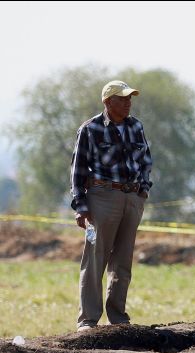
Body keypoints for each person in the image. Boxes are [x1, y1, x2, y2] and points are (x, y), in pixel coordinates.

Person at [70, 80, 153, 332]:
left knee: (123, 261)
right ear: (108, 102)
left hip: (131, 197)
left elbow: (146, 160)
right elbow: (78, 169)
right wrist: (81, 205)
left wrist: (143, 190)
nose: (128, 102)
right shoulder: (90, 129)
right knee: (96, 258)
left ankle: (118, 318)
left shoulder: (136, 126)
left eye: (129, 98)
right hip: (102, 197)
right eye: (122, 98)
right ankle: (88, 320)